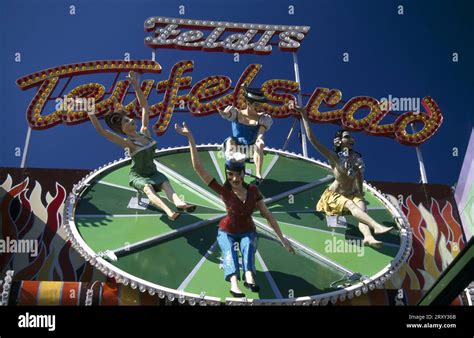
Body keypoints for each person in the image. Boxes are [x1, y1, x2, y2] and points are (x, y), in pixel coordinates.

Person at [175, 121, 295, 297]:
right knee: (229, 252)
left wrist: (282, 238)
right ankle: (234, 284)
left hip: (248, 230)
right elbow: (199, 169)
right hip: (227, 230)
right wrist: (190, 138)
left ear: (244, 173)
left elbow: (267, 215)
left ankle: (249, 276)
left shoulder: (253, 191)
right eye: (230, 174)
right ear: (227, 174)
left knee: (248, 247)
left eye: (238, 174)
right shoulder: (224, 191)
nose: (235, 178)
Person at [88, 71, 195, 221]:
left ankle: (179, 203)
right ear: (122, 129)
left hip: (153, 172)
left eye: (129, 118)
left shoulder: (145, 132)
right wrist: (90, 112)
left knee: (165, 184)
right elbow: (102, 132)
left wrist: (135, 84)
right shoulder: (129, 143)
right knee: (148, 189)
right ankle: (169, 212)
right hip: (138, 176)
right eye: (125, 121)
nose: (130, 121)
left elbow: (145, 107)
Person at [298, 106, 393, 247]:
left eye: (350, 137)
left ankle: (368, 237)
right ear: (339, 141)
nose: (350, 139)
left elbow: (359, 177)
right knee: (351, 205)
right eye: (346, 137)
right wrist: (304, 115)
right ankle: (376, 226)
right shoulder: (334, 157)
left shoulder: (357, 159)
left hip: (353, 193)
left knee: (361, 209)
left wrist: (360, 194)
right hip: (334, 195)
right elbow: (313, 140)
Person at [218, 85, 273, 184]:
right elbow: (229, 115)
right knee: (230, 140)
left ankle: (258, 173)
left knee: (260, 144)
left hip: (251, 149)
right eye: (256, 105)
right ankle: (232, 160)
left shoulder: (263, 118)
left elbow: (260, 134)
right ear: (248, 103)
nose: (259, 108)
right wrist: (226, 114)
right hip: (236, 148)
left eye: (260, 105)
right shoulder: (237, 113)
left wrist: (260, 139)